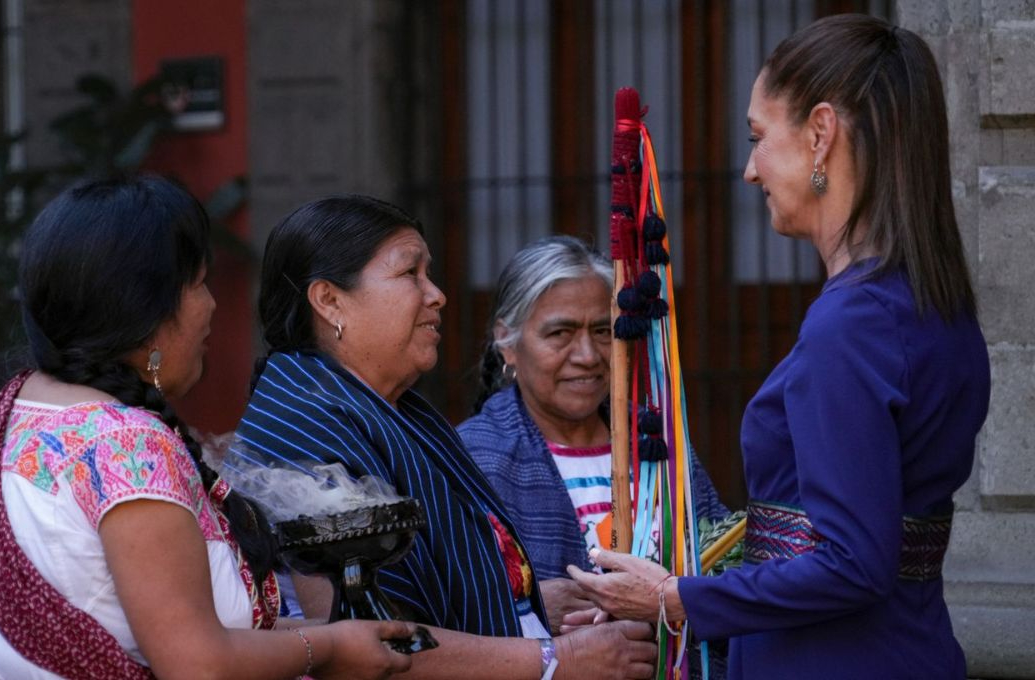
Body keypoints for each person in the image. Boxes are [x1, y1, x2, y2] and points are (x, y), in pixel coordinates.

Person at [564, 14, 991, 680]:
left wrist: (674, 598)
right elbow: (836, 532)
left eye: (759, 138)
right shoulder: (933, 302)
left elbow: (853, 562)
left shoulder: (851, 322)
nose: (749, 170)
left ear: (820, 134)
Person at [0, 176, 415, 678]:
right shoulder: (126, 444)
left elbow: (169, 630)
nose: (212, 305)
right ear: (147, 307)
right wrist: (326, 650)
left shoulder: (20, 409)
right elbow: (196, 664)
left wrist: (334, 636)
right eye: (198, 284)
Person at [230, 194, 658, 679]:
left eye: (427, 274)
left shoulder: (387, 413)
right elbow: (360, 640)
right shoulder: (304, 425)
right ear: (329, 301)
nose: (437, 294)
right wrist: (560, 659)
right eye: (410, 273)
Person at [457, 235, 728, 634]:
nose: (587, 355)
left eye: (603, 331)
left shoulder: (655, 442)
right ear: (507, 342)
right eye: (560, 333)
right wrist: (524, 609)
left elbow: (722, 558)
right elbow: (445, 607)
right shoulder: (474, 459)